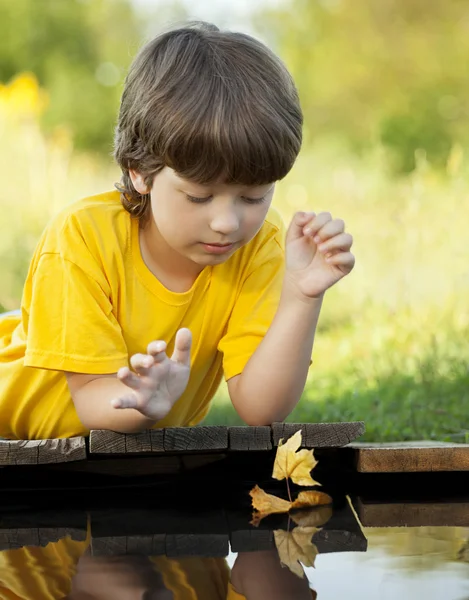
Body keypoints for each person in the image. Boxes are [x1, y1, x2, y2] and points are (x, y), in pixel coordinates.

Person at [0, 21, 354, 441]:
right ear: (140, 171)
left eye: (253, 197)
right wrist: (145, 405)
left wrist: (301, 296)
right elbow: (92, 399)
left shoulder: (264, 246)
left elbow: (261, 408)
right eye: (200, 197)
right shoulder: (81, 237)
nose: (227, 223)